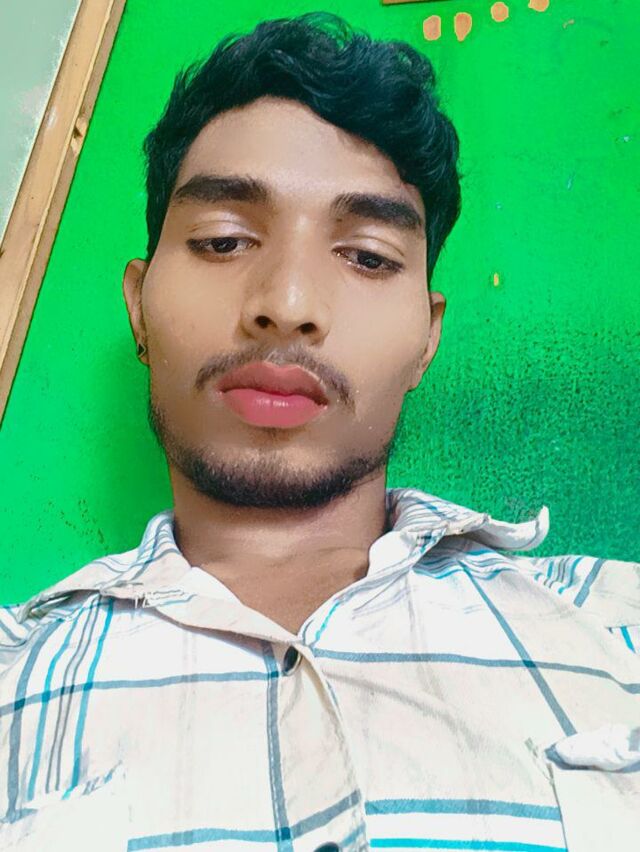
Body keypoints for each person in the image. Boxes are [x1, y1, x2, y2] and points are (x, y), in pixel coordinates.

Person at [0, 12, 638, 852]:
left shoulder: (620, 631)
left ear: (427, 339)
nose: (288, 304)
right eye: (223, 240)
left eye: (367, 256)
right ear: (139, 307)